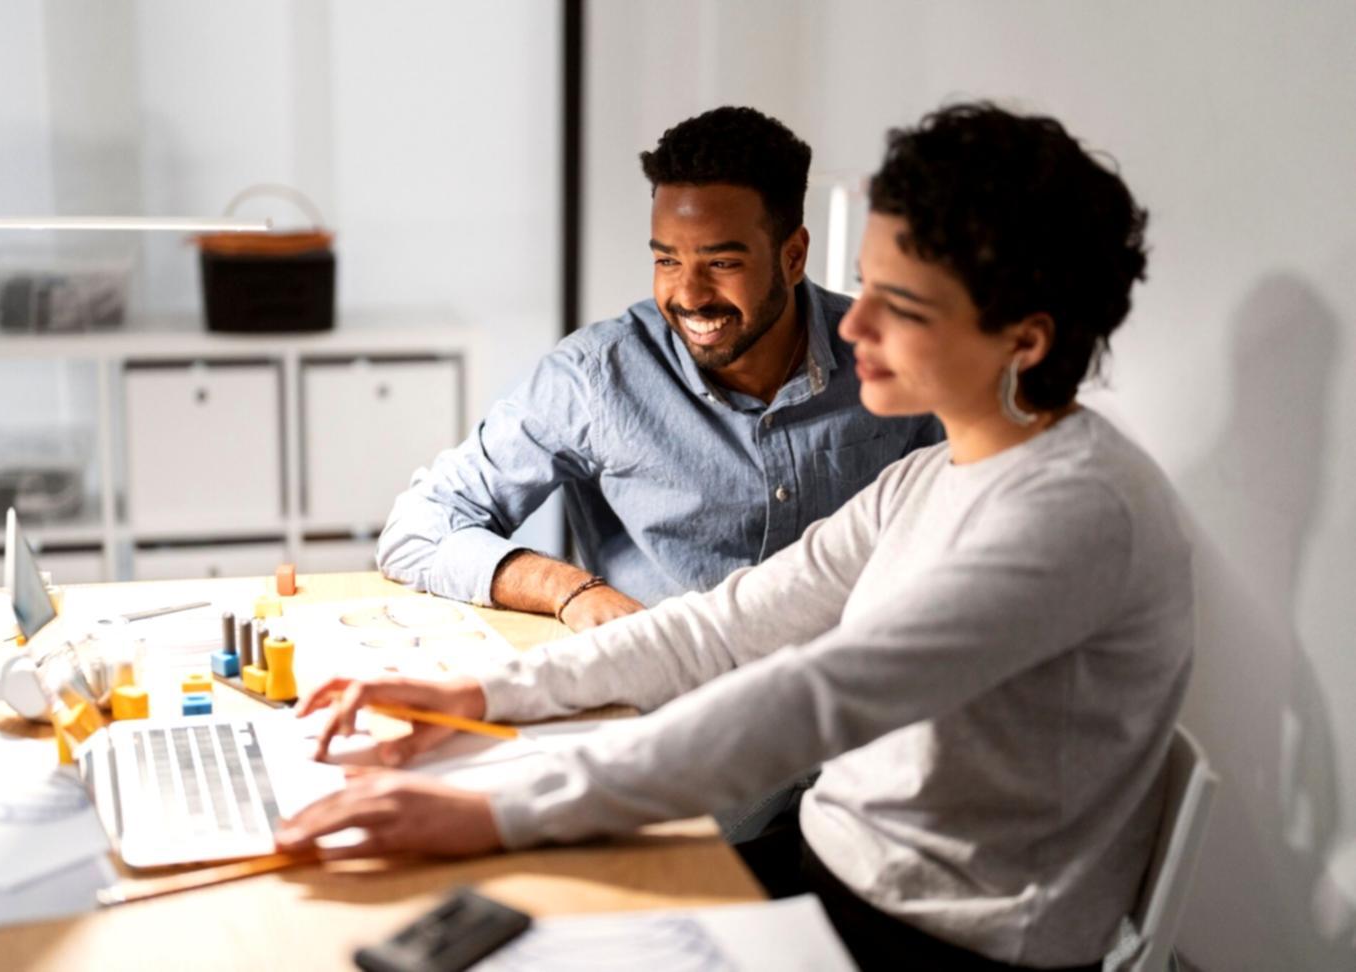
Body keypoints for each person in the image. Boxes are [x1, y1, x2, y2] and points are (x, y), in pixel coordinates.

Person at [279, 102, 1191, 971]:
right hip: (833, 886)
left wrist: (499, 810)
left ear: (1023, 342)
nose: (855, 323)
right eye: (866, 285)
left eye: (900, 305)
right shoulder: (939, 471)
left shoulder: (1070, 515)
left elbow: (815, 695)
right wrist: (475, 693)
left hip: (937, 945)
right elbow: (723, 625)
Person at [377, 106, 941, 631]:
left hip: (850, 702)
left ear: (792, 256)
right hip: (660, 702)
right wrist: (568, 590)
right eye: (667, 260)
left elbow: (957, 521)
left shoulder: (887, 359)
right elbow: (418, 528)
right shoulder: (597, 377)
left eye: (721, 262)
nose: (689, 295)